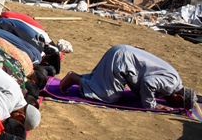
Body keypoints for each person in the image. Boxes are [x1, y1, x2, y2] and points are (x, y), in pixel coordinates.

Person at [60, 44, 196, 110]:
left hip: (122, 54)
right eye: (177, 104)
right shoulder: (172, 84)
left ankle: (78, 78)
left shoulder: (174, 79)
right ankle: (74, 79)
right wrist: (151, 105)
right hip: (123, 60)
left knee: (102, 81)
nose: (170, 103)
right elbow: (149, 83)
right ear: (179, 97)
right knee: (108, 97)